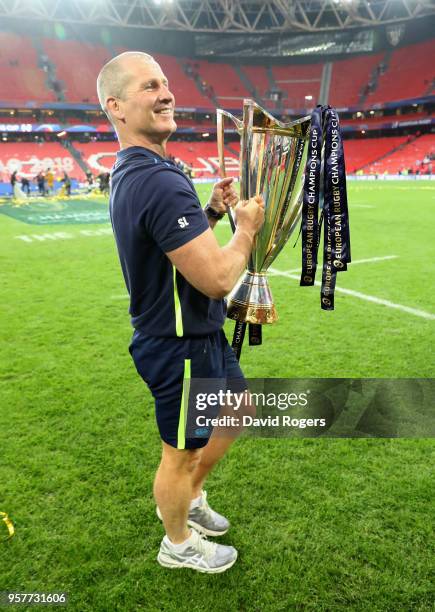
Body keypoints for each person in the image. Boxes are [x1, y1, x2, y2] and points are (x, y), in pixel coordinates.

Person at [97, 51, 264, 573]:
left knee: (239, 408)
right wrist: (246, 230)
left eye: (166, 82)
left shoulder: (139, 171)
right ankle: (178, 542)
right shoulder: (159, 180)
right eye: (150, 86)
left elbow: (175, 253)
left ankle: (190, 496)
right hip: (179, 344)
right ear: (117, 107)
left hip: (195, 335)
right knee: (180, 451)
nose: (167, 92)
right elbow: (216, 277)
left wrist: (212, 213)